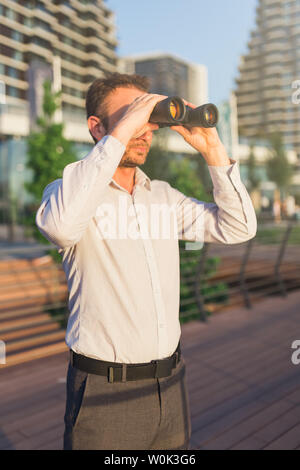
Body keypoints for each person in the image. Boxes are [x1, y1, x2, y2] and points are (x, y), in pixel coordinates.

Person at [35, 73, 257, 450]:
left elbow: (238, 227)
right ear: (97, 126)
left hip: (171, 385)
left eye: (148, 119)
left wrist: (212, 150)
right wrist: (119, 136)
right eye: (131, 116)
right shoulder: (67, 194)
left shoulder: (164, 197)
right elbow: (60, 226)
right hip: (104, 392)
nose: (144, 130)